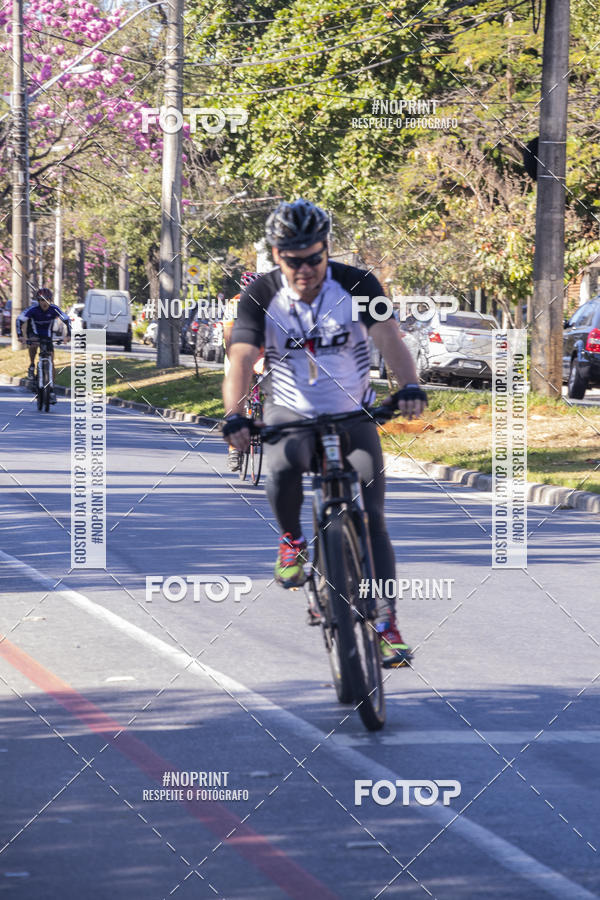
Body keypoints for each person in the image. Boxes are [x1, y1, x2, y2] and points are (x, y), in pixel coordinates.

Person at [221, 199, 428, 667]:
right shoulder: (261, 296)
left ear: (326, 250)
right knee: (282, 466)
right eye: (293, 260)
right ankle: (293, 538)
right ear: (276, 255)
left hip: (352, 415)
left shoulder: (358, 284)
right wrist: (235, 414)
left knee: (373, 518)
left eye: (313, 258)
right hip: (288, 412)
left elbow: (389, 338)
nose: (304, 269)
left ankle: (385, 622)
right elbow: (239, 359)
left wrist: (410, 385)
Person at [223, 272, 264, 472]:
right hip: (236, 350)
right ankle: (234, 450)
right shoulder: (235, 304)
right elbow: (228, 334)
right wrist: (235, 363)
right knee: (238, 395)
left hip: (261, 352)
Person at [16, 288, 71, 403]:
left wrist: (68, 335)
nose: (44, 302)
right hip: (34, 333)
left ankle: (51, 390)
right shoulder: (33, 310)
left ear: (50, 300)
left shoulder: (54, 309)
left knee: (51, 361)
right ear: (38, 300)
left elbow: (66, 320)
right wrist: (20, 335)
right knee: (34, 343)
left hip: (47, 336)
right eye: (41, 300)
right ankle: (31, 365)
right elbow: (19, 320)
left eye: (46, 300)